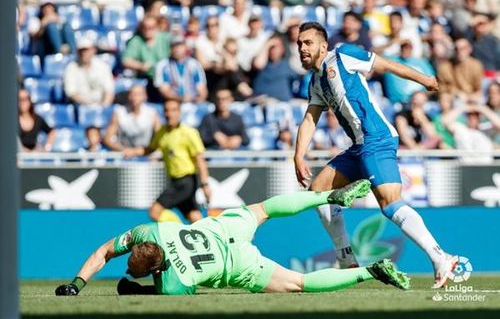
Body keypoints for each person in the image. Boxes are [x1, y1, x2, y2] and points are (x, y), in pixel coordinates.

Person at [294, 22, 457, 288]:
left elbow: (388, 65)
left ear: (323, 46)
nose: (302, 48)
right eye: (299, 43)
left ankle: (441, 258)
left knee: (390, 203)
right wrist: (298, 157)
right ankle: (346, 262)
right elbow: (310, 119)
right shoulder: (316, 81)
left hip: (377, 139)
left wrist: (425, 80)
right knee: (319, 191)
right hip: (358, 146)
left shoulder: (344, 54)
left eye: (308, 42)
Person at [54, 180, 411, 296]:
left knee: (299, 283)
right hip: (222, 228)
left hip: (237, 265)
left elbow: (151, 290)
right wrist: (77, 282)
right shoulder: (150, 231)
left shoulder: (174, 284)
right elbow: (105, 249)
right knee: (266, 209)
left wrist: (131, 290)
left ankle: (371, 272)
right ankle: (327, 196)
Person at [124, 98, 211, 223]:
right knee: (193, 216)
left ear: (179, 112)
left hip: (186, 181)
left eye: (174, 110)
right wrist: (133, 151)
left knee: (155, 212)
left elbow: (200, 160)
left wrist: (205, 184)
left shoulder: (189, 132)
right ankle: (204, 237)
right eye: (167, 110)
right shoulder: (162, 132)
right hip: (175, 180)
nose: (169, 114)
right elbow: (150, 149)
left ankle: (178, 232)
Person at [103, 85, 162, 151]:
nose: (135, 97)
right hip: (124, 155)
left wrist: (144, 151)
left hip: (146, 154)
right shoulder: (119, 112)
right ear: (128, 96)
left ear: (145, 96)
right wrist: (124, 150)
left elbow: (159, 137)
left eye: (138, 94)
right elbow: (108, 139)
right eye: (132, 94)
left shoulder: (152, 113)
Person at [154, 36, 208, 103]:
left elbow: (202, 89)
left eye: (180, 45)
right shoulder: (162, 65)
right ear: (170, 48)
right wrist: (180, 98)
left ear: (185, 47)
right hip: (172, 103)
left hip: (193, 102)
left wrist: (198, 99)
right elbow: (164, 91)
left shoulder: (195, 64)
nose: (177, 49)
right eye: (174, 46)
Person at [63, 39, 115, 106]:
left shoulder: (102, 66)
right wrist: (90, 104)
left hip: (101, 104)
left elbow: (109, 89)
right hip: (80, 106)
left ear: (93, 50)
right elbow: (71, 92)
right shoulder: (71, 67)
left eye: (86, 50)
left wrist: (105, 106)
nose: (84, 53)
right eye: (81, 51)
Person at [122, 16, 171, 81]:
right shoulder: (136, 41)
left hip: (166, 77)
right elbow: (126, 61)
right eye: (144, 27)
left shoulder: (166, 38)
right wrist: (141, 65)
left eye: (151, 27)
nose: (147, 30)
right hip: (145, 77)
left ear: (157, 27)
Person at [252, 35, 299, 102]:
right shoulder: (261, 61)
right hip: (263, 102)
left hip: (284, 103)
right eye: (271, 47)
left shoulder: (287, 64)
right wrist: (267, 45)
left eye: (277, 47)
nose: (274, 50)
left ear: (282, 49)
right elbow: (258, 65)